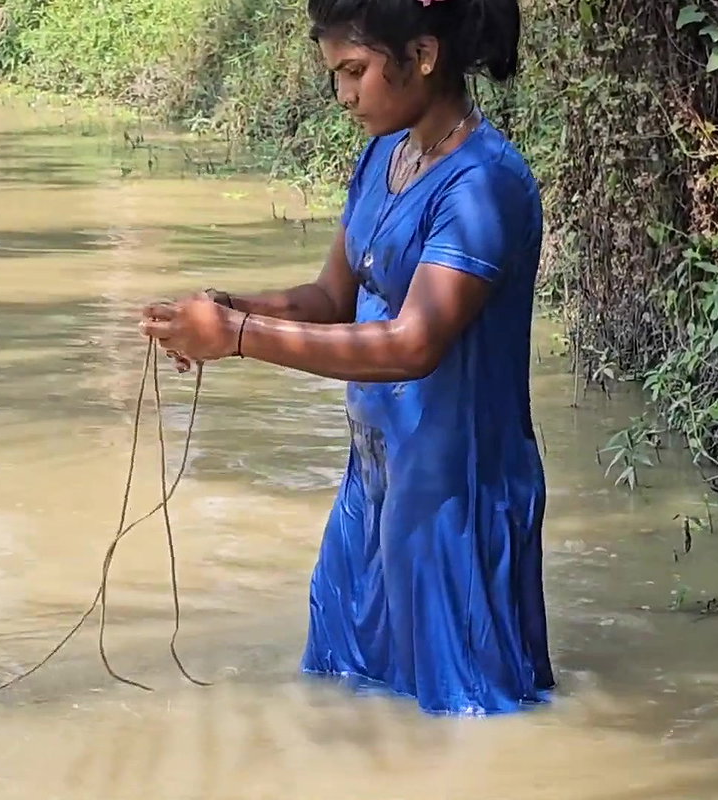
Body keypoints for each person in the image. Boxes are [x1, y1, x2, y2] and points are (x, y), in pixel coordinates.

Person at [139, 0, 553, 715]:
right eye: (335, 73)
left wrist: (236, 336)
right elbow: (331, 298)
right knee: (343, 696)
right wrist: (225, 307)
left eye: (355, 71)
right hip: (375, 481)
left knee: (469, 720)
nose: (344, 95)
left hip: (456, 495)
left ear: (423, 55)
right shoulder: (385, 157)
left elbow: (411, 343)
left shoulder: (484, 185)